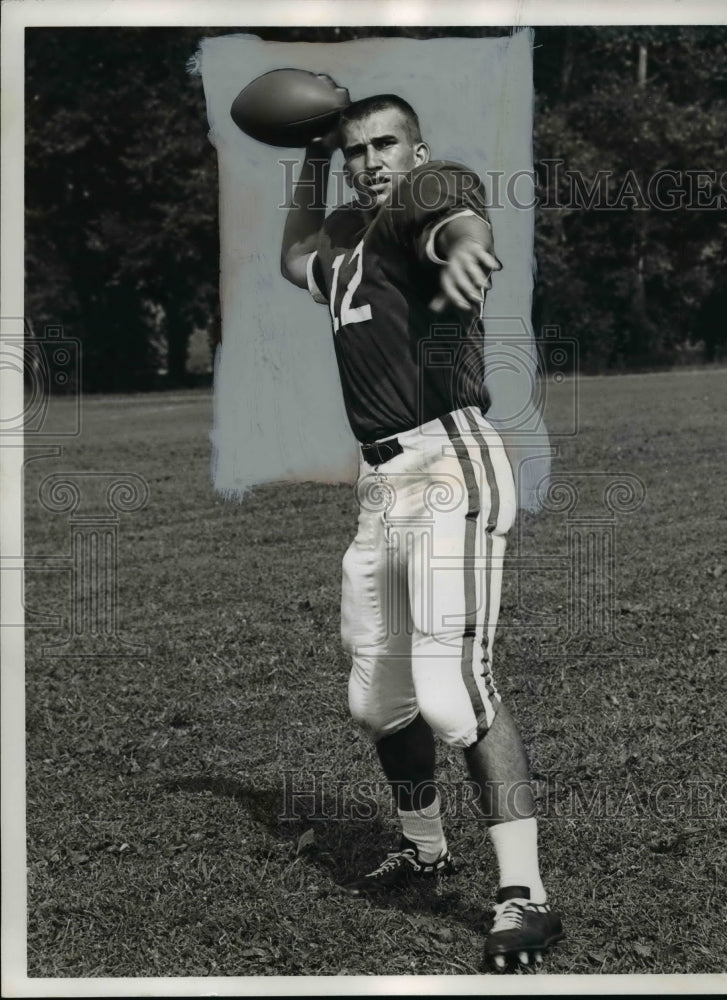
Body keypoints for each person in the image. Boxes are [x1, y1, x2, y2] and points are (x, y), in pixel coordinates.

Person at [280, 89, 563, 971]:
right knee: (376, 700)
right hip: (382, 480)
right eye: (356, 149)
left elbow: (455, 221)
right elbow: (293, 256)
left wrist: (471, 250)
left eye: (383, 144)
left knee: (454, 691)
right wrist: (313, 155)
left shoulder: (422, 194)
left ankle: (526, 896)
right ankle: (425, 844)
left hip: (450, 461)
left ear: (416, 147)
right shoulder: (343, 243)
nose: (372, 161)